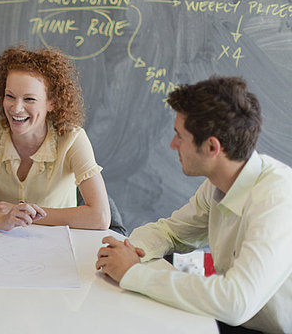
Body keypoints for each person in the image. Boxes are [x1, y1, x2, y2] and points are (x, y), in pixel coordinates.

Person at [95, 76, 292, 333]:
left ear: (212, 146)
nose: (172, 145)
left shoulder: (277, 198)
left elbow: (236, 301)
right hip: (233, 319)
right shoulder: (219, 182)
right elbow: (171, 231)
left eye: (180, 136)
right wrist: (132, 250)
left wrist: (133, 273)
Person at [0, 45, 111, 231]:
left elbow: (101, 217)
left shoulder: (73, 139)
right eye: (10, 96)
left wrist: (24, 215)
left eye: (29, 99)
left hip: (58, 245)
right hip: (3, 244)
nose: (16, 108)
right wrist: (1, 220)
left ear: (52, 103)